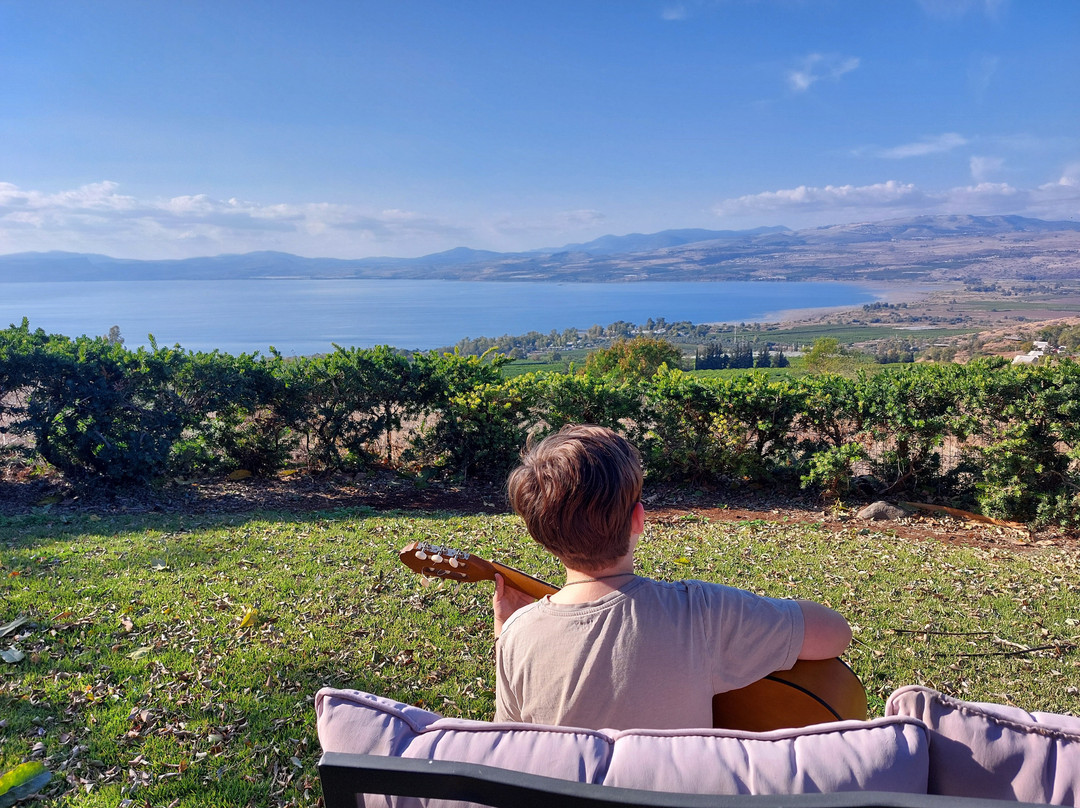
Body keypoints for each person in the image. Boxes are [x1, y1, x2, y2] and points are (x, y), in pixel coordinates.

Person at [492, 424, 852, 730]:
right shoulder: (700, 611)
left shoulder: (516, 635)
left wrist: (508, 632)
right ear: (638, 519)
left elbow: (511, 744)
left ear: (538, 534)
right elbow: (835, 633)